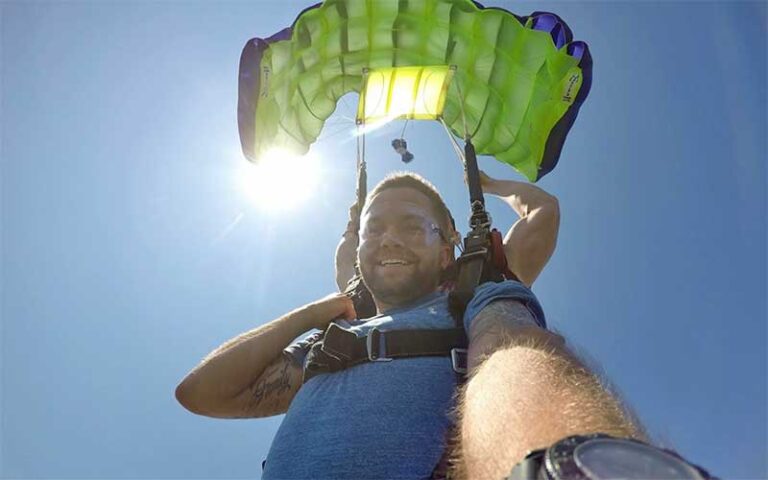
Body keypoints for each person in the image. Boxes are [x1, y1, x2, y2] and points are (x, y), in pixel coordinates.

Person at [175, 171, 645, 479]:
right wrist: (314, 313)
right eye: (374, 230)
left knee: (502, 318)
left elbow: (543, 215)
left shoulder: (475, 296)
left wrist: (489, 183)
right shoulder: (329, 345)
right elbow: (201, 393)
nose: (388, 239)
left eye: (412, 226)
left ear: (447, 249)